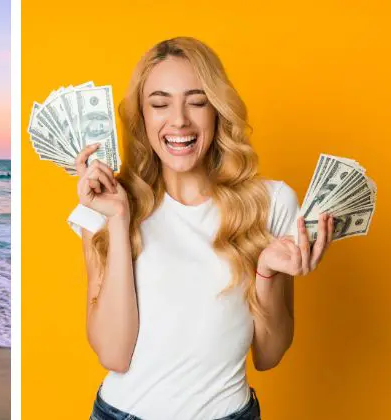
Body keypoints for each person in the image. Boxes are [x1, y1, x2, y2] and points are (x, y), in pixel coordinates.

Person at [67, 37, 334, 420]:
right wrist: (119, 219)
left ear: (217, 111)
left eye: (197, 101)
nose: (179, 120)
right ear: (142, 118)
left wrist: (266, 273)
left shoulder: (272, 202)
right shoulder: (105, 201)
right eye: (160, 104)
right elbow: (113, 353)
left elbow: (270, 355)